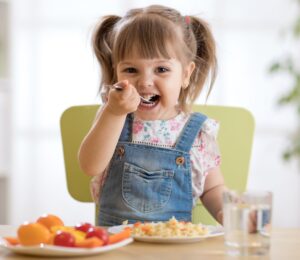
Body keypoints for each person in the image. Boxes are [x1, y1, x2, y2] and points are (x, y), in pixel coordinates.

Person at [78, 5, 225, 226]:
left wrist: (227, 213)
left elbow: (212, 187)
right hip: (116, 246)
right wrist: (114, 112)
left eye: (161, 70)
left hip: (174, 248)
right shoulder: (113, 117)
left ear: (186, 74)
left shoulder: (197, 132)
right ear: (116, 70)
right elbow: (90, 166)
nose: (145, 82)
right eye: (131, 70)